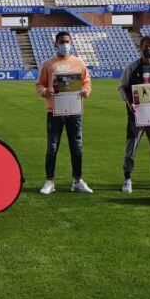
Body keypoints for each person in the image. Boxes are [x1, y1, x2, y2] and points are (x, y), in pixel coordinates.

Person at [36, 31, 93, 194]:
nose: (64, 44)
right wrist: (44, 91)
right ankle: (49, 181)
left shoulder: (79, 62)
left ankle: (77, 180)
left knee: (77, 146)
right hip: (54, 111)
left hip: (74, 111)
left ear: (71, 43)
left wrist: (85, 91)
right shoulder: (48, 64)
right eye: (61, 41)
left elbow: (86, 82)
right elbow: (39, 84)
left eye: (67, 41)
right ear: (55, 44)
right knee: (52, 147)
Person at [119, 34, 150, 193]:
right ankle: (127, 178)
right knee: (131, 147)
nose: (148, 49)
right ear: (140, 48)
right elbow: (122, 88)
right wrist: (130, 104)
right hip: (136, 116)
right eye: (145, 46)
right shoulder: (131, 68)